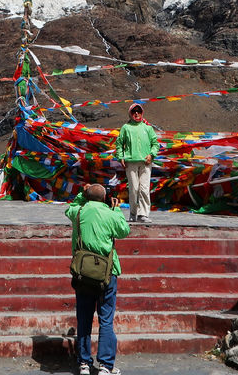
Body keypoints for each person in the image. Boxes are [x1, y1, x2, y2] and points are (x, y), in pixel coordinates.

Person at [66, 183, 130, 375]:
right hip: (106, 274)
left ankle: (84, 363)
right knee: (106, 320)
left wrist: (81, 194)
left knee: (84, 319)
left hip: (83, 274)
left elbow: (69, 208)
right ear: (104, 198)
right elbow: (124, 231)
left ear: (87, 196)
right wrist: (117, 209)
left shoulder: (78, 212)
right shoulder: (111, 214)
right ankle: (105, 365)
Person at [115, 102, 159, 222]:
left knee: (144, 188)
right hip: (131, 162)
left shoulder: (148, 128)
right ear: (130, 114)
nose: (136, 113)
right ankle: (133, 213)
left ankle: (143, 214)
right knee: (134, 188)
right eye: (134, 111)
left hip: (146, 162)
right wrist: (121, 157)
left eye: (139, 111)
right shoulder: (126, 128)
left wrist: (151, 154)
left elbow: (155, 144)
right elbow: (119, 144)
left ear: (142, 113)